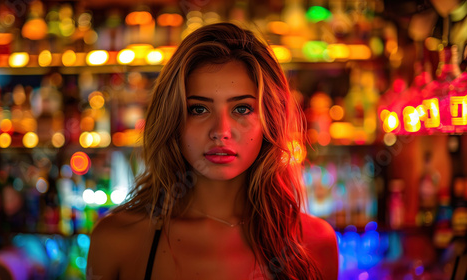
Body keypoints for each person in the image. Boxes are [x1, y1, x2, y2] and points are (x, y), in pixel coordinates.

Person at [87, 22, 338, 280]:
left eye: (242, 109)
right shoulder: (117, 240)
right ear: (172, 120)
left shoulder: (314, 243)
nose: (221, 131)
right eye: (199, 109)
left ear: (270, 120)